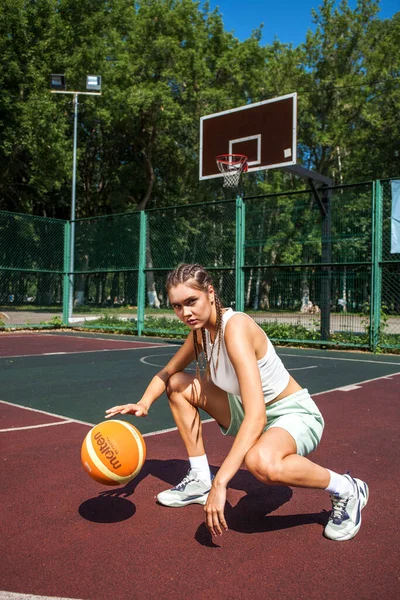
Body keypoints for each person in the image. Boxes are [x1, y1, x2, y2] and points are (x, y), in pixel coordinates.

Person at [106, 263, 369, 541]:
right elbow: (167, 373)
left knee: (261, 463)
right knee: (178, 385)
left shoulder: (236, 328)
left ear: (210, 293)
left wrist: (222, 483)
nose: (185, 313)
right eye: (177, 306)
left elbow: (257, 417)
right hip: (244, 408)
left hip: (291, 414)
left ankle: (348, 488)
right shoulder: (200, 333)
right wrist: (144, 402)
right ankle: (199, 479)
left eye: (191, 302)